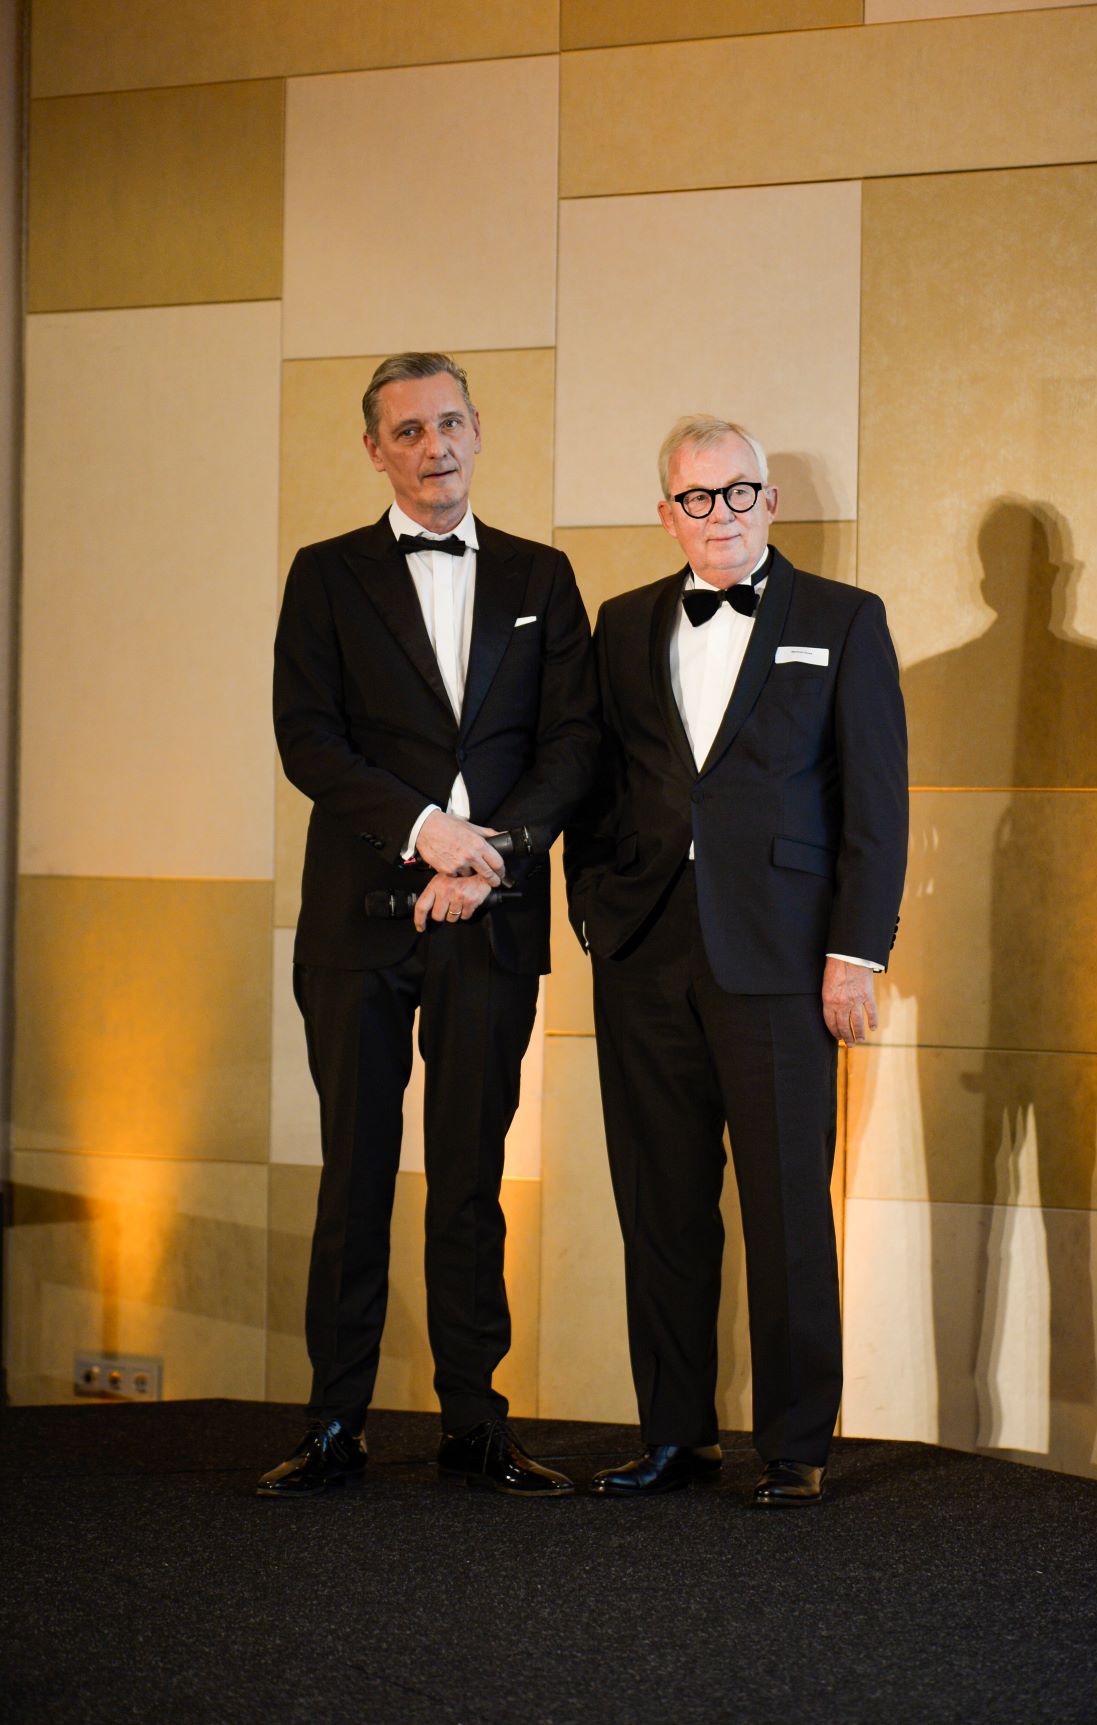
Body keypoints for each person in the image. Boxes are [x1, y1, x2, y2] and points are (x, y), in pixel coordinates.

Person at [261, 353, 598, 1498]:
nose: (433, 445)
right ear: (374, 451)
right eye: (407, 430)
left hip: (489, 919)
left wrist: (485, 852)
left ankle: (472, 1422)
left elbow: (573, 744)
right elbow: (306, 739)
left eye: (448, 422)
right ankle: (334, 1424)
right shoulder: (325, 574)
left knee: (468, 1174)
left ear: (476, 430)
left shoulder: (542, 575)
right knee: (354, 1172)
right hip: (357, 922)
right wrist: (425, 831)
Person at [565, 414, 908, 1506]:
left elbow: (877, 803)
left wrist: (853, 952)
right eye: (697, 497)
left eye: (739, 491)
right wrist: (592, 909)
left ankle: (796, 1445)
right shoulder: (621, 623)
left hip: (784, 958)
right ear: (666, 514)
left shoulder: (844, 618)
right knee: (659, 1205)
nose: (720, 513)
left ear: (770, 501)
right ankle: (676, 1436)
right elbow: (593, 779)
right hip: (643, 953)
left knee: (787, 1211)